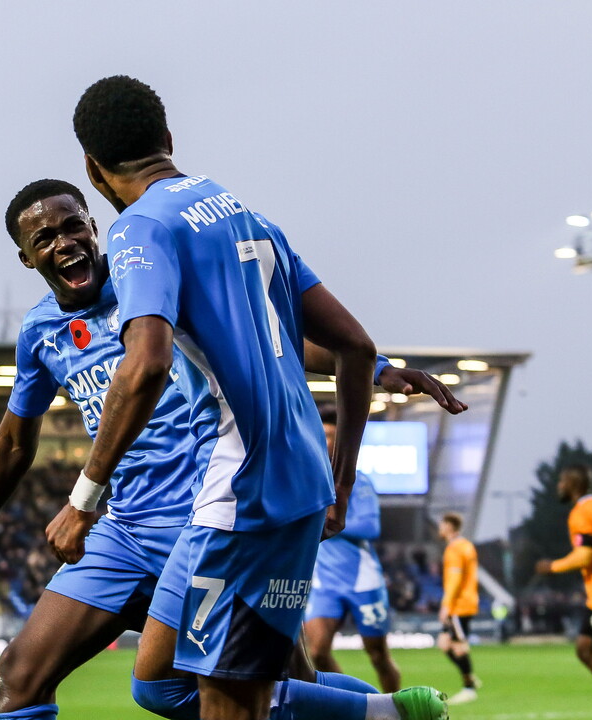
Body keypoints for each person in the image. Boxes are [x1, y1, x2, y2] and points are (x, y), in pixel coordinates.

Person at [0, 180, 464, 720]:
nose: (65, 241)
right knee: (19, 677)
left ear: (94, 227)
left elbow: (267, 335)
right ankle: (391, 713)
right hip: (124, 530)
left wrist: (377, 370)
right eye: (45, 237)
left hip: (210, 519)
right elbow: (12, 440)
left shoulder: (147, 283)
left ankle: (390, 714)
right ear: (27, 258)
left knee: (280, 680)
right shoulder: (40, 332)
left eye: (74, 225)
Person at [50, 74, 445, 720]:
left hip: (246, 492)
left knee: (229, 701)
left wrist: (84, 499)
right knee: (159, 682)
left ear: (93, 172)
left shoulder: (137, 230)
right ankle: (388, 714)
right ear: (169, 139)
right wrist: (340, 482)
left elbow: (143, 364)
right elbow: (356, 348)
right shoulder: (245, 214)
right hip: (283, 484)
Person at [304, 407, 401, 692]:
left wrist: (327, 521)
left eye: (331, 435)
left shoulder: (358, 482)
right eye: (321, 435)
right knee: (318, 653)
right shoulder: (309, 480)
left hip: (362, 581)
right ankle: (354, 705)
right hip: (324, 584)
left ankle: (392, 709)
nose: (325, 441)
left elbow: (371, 528)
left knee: (378, 656)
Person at [536, 464, 592, 711]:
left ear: (573, 484)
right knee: (584, 649)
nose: (559, 486)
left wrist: (552, 566)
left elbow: (585, 556)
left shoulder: (582, 513)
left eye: (562, 481)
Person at [436, 513, 480, 704]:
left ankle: (469, 687)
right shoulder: (467, 545)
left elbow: (454, 579)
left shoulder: (455, 549)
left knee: (459, 647)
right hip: (467, 601)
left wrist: (446, 605)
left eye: (442, 524)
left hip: (459, 605)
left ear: (449, 526)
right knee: (444, 644)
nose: (440, 528)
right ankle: (470, 677)